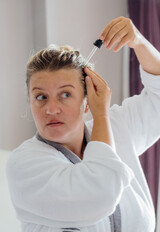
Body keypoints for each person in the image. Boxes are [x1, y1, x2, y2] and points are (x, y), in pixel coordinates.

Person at [6, 16, 160, 232]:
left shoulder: (117, 128)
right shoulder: (25, 165)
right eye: (41, 97)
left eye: (65, 94)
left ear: (87, 102)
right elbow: (101, 192)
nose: (51, 109)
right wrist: (101, 115)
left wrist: (140, 42)